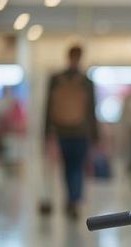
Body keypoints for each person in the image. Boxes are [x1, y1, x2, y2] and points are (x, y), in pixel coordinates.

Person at [44, 45, 98, 219]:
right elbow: (91, 109)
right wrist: (95, 134)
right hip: (80, 132)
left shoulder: (56, 79)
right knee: (77, 166)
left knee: (67, 167)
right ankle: (74, 199)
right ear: (80, 57)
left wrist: (46, 132)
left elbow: (48, 108)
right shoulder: (85, 81)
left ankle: (70, 198)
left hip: (61, 130)